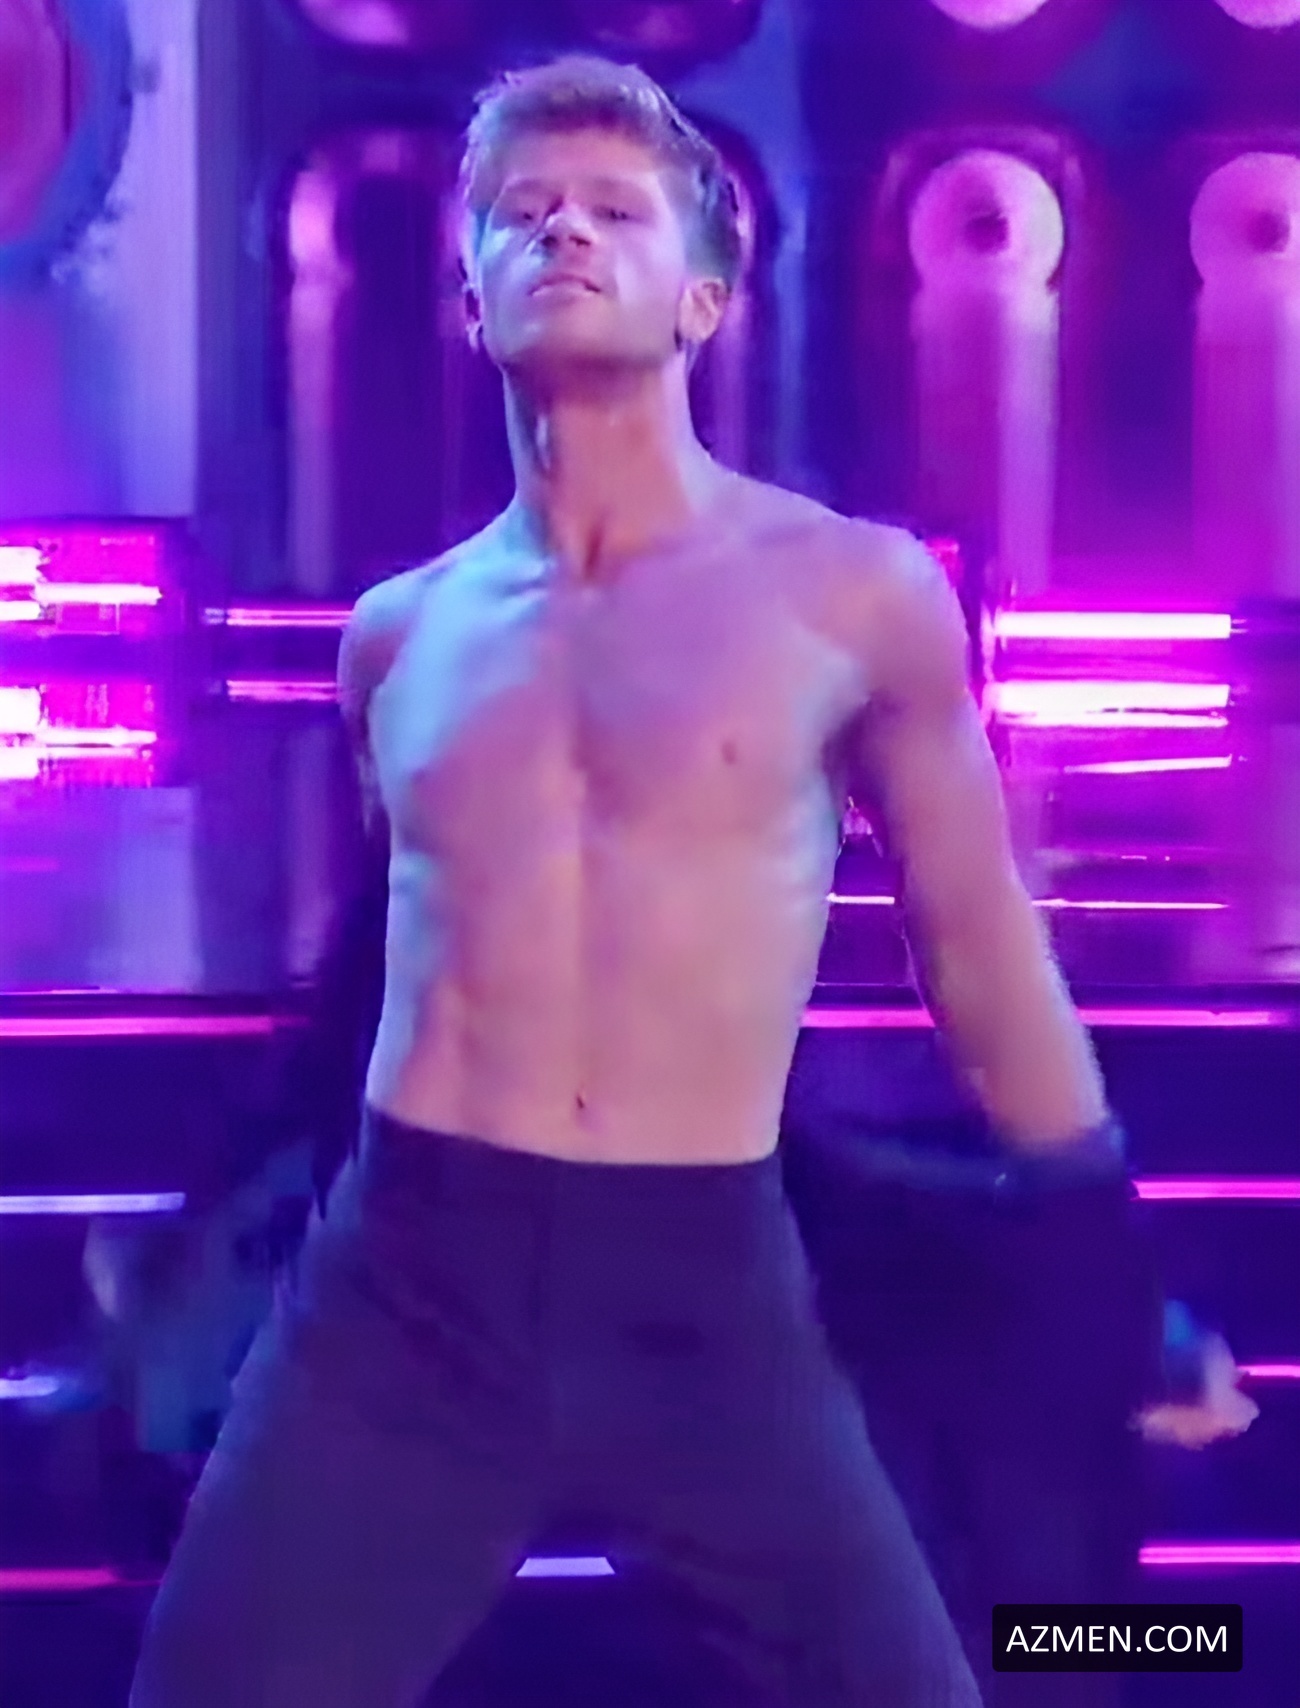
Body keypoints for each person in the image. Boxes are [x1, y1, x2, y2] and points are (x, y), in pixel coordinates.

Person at [132, 53, 1154, 1708]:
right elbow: (391, 975)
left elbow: (977, 953)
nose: (565, 234)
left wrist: (1104, 1261)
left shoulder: (850, 594)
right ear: (468, 300)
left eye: (616, 211)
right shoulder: (399, 635)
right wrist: (199, 1247)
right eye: (523, 213)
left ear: (704, 299)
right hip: (408, 1294)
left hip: (704, 1295)